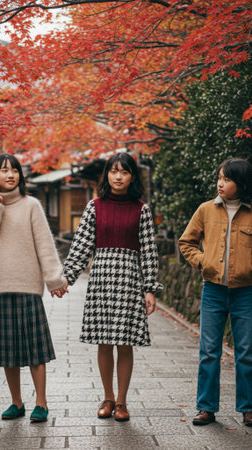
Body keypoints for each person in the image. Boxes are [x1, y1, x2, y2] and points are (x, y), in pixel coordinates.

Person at [179, 158, 252, 427]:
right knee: (209, 351)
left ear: (242, 184)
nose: (220, 183)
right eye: (219, 177)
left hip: (243, 292)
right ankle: (206, 408)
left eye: (226, 179)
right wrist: (204, 261)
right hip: (212, 290)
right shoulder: (205, 210)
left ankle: (249, 408)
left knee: (246, 352)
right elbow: (186, 242)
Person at [0, 154, 68, 423]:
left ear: (20, 177)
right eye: (3, 171)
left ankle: (41, 403)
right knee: (7, 351)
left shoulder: (31, 205)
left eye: (14, 170)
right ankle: (16, 402)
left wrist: (55, 280)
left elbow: (44, 245)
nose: (10, 175)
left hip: (27, 287)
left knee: (35, 349)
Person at [64, 153, 162, 421]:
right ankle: (107, 398)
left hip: (130, 279)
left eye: (125, 172)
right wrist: (67, 278)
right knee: (104, 342)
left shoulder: (141, 209)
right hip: (101, 279)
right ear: (106, 175)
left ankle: (122, 402)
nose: (118, 176)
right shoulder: (94, 206)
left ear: (133, 177)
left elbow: (149, 251)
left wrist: (150, 288)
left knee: (126, 342)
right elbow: (81, 246)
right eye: (113, 171)